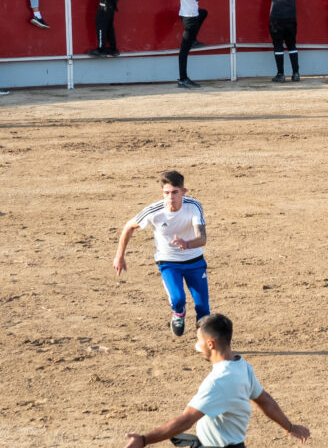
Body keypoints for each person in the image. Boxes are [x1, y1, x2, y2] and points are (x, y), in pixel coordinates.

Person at [121, 312, 311, 448]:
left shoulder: (218, 381)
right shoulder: (242, 366)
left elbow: (186, 421)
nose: (198, 345)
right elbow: (264, 400)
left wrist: (144, 440)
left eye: (199, 340)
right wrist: (289, 426)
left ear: (210, 343)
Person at [113, 170, 211, 337]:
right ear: (162, 193)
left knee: (203, 307)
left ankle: (203, 341)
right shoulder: (154, 211)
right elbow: (128, 227)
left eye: (175, 192)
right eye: (166, 193)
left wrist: (186, 244)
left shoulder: (194, 206)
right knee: (178, 299)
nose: (170, 197)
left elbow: (202, 239)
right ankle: (179, 313)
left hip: (194, 261)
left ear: (183, 191)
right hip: (169, 262)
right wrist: (119, 256)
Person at [175, 0, 219, 89]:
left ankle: (193, 40)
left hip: (186, 13)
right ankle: (183, 79)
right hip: (190, 16)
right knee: (184, 50)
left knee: (203, 12)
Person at [257, 0, 302, 83]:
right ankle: (296, 73)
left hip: (277, 18)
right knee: (292, 45)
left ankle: (280, 74)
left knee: (278, 46)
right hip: (291, 17)